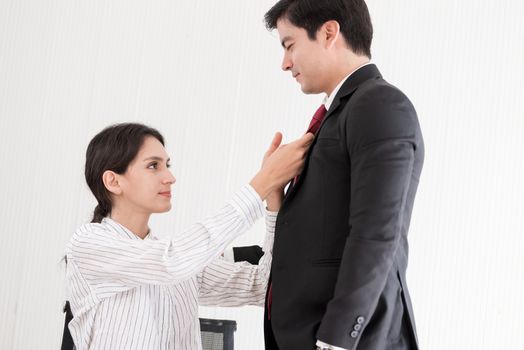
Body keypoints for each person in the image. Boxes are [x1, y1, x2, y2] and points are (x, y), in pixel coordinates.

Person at [262, 1, 424, 349]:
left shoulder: (379, 104)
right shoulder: (343, 112)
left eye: (290, 45)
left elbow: (377, 233)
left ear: (329, 32)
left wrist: (335, 341)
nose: (285, 63)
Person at [64, 122, 313, 349]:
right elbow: (172, 261)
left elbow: (263, 287)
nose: (170, 177)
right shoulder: (88, 243)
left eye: (167, 165)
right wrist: (263, 181)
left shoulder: (182, 263)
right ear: (113, 181)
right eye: (153, 166)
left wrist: (273, 200)